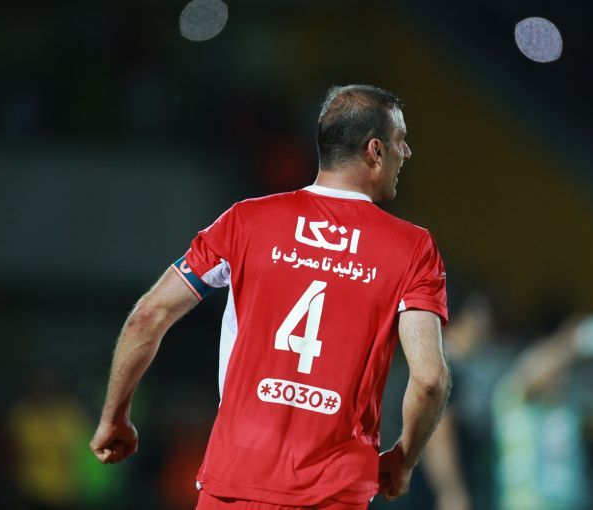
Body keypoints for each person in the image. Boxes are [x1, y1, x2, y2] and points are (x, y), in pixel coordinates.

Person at [90, 84, 451, 510]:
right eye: (400, 140)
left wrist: (115, 417)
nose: (405, 152)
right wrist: (403, 460)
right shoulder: (412, 249)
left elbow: (148, 318)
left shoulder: (246, 221)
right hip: (333, 493)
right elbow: (429, 380)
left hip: (235, 482)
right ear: (375, 151)